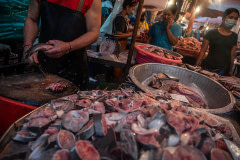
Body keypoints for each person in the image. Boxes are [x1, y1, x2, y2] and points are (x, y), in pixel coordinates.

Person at [23, 0, 101, 89]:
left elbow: (93, 32)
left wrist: (68, 46)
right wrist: (28, 47)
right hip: (43, 63)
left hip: (74, 66)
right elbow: (32, 19)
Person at [195, 8, 239, 76]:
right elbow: (202, 51)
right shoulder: (211, 33)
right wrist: (196, 65)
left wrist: (230, 71)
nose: (233, 20)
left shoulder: (234, 36)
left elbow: (232, 55)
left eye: (236, 18)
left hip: (222, 71)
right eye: (231, 17)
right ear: (224, 18)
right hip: (207, 67)